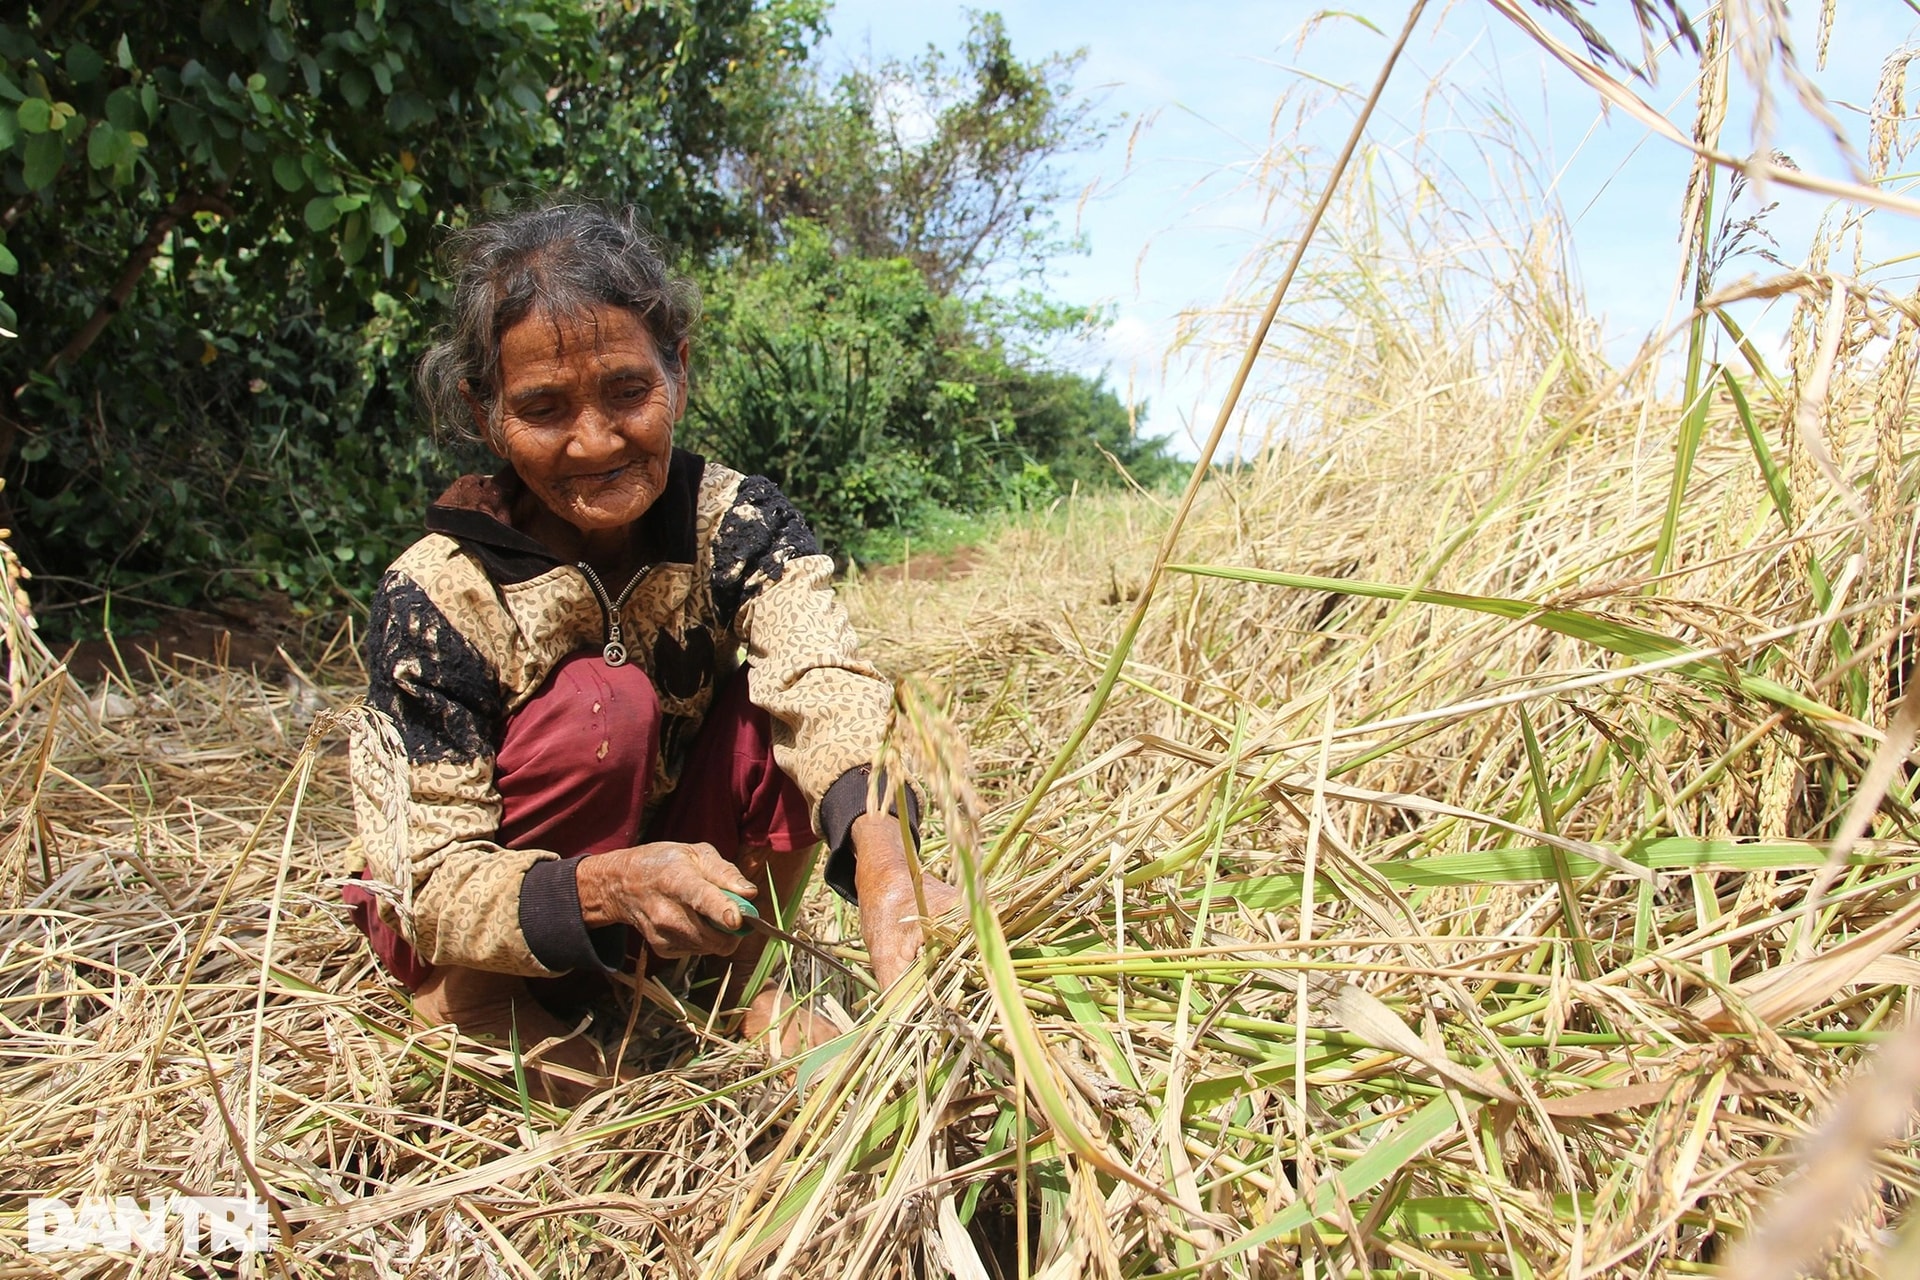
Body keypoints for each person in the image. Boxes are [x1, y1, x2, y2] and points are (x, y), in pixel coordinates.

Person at [344, 202, 960, 1102]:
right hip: (507, 916)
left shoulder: (736, 522)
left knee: (774, 714)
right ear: (486, 415)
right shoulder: (441, 591)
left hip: (667, 855)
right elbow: (429, 875)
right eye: (543, 409)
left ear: (678, 369)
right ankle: (482, 1007)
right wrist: (603, 890)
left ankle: (732, 981)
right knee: (607, 703)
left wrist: (882, 846)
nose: (594, 442)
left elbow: (822, 676)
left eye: (628, 392)